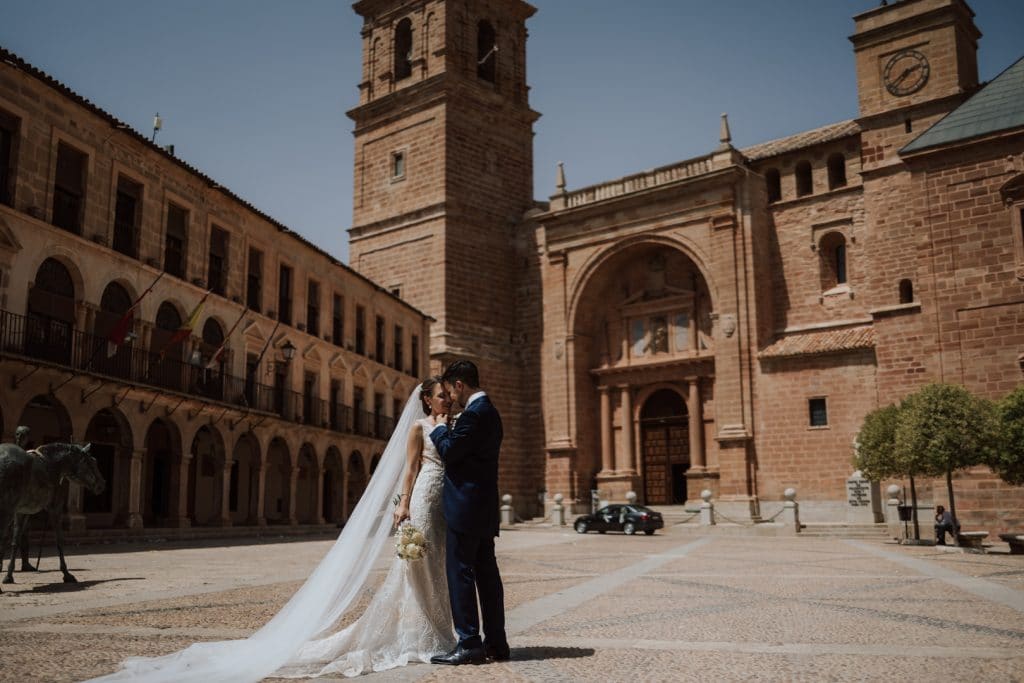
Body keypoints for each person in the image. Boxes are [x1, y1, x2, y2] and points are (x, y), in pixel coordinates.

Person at [88, 378, 457, 682]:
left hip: (442, 505)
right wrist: (404, 503)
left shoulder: (449, 426)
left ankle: (438, 630)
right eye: (442, 395)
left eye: (448, 395)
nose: (448, 399)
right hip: (423, 498)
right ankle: (425, 635)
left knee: (435, 564)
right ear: (426, 399)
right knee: (415, 567)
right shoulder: (418, 427)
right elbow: (409, 470)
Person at [428, 359, 510, 666]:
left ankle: (470, 643)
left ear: (460, 385)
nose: (450, 397)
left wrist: (438, 429)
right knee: (487, 576)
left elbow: (449, 452)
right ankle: (497, 643)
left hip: (465, 506)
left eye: (451, 390)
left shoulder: (474, 415)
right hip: (484, 507)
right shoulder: (492, 412)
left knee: (460, 574)